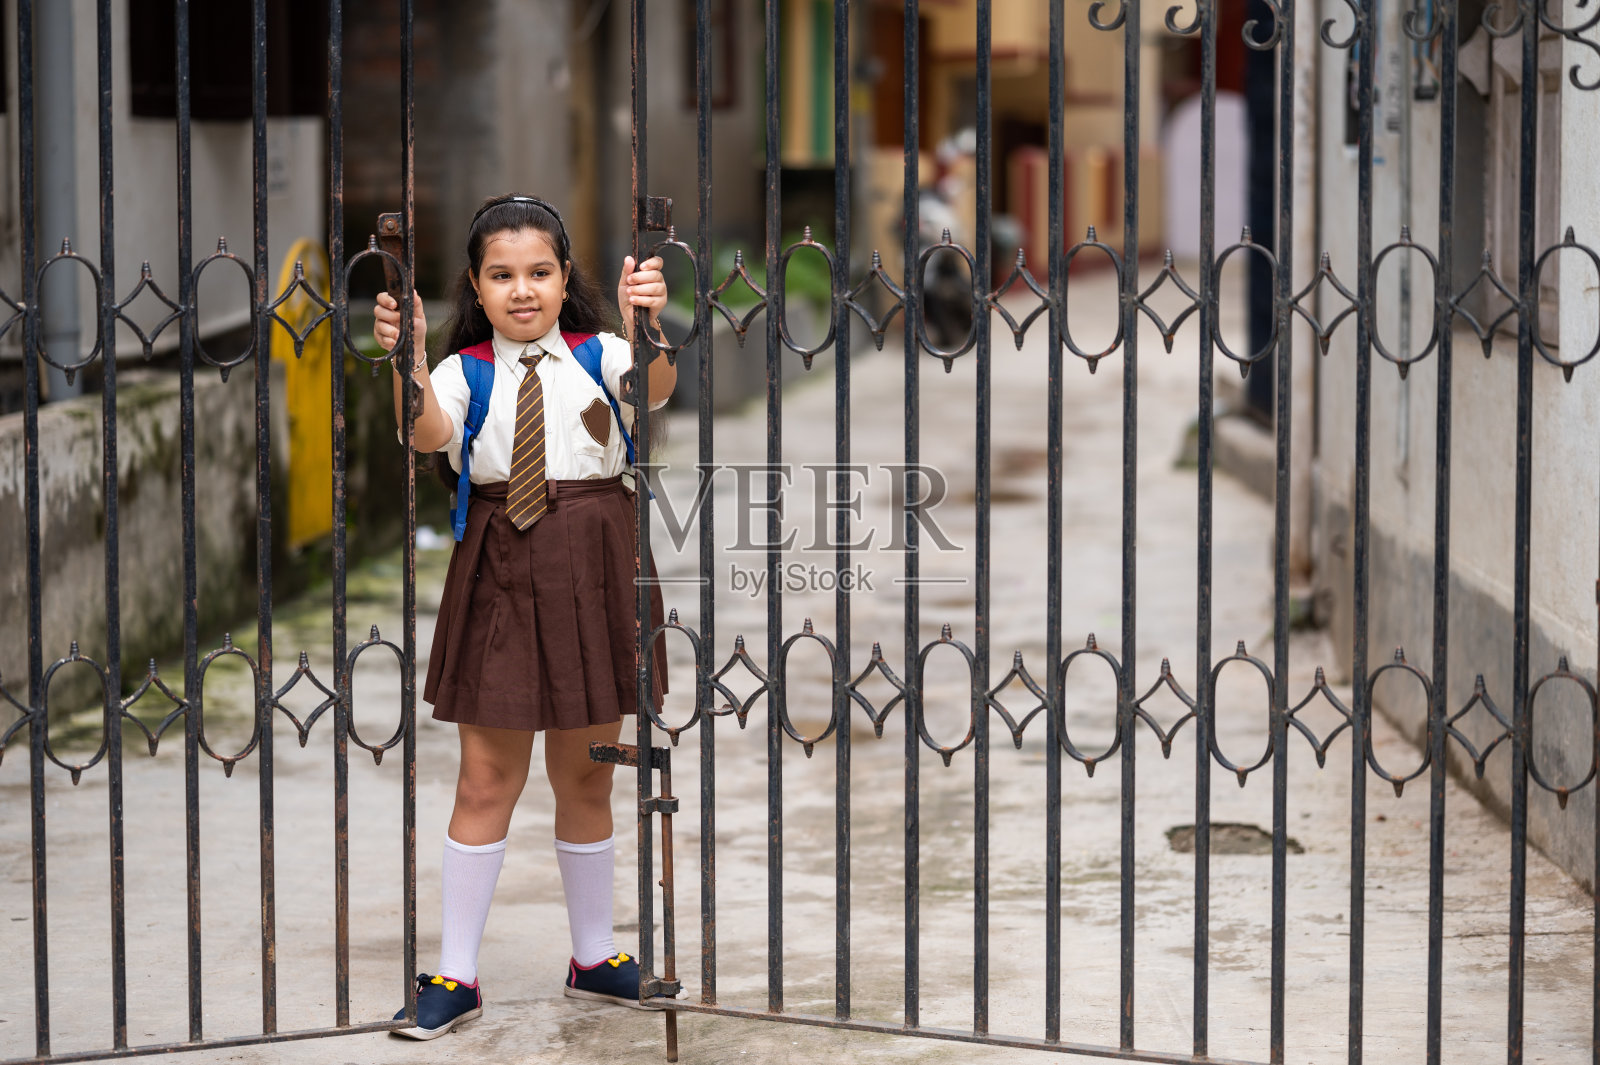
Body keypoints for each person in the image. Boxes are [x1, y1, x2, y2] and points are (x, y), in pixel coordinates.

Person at [372, 194, 675, 1040]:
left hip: (596, 562)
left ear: (564, 277)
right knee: (485, 775)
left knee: (587, 771)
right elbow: (428, 434)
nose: (522, 290)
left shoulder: (602, 351)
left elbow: (653, 390)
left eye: (538, 272)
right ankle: (457, 973)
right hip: (500, 565)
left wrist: (644, 321)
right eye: (502, 275)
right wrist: (411, 361)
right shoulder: (466, 370)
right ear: (476, 283)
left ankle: (595, 957)